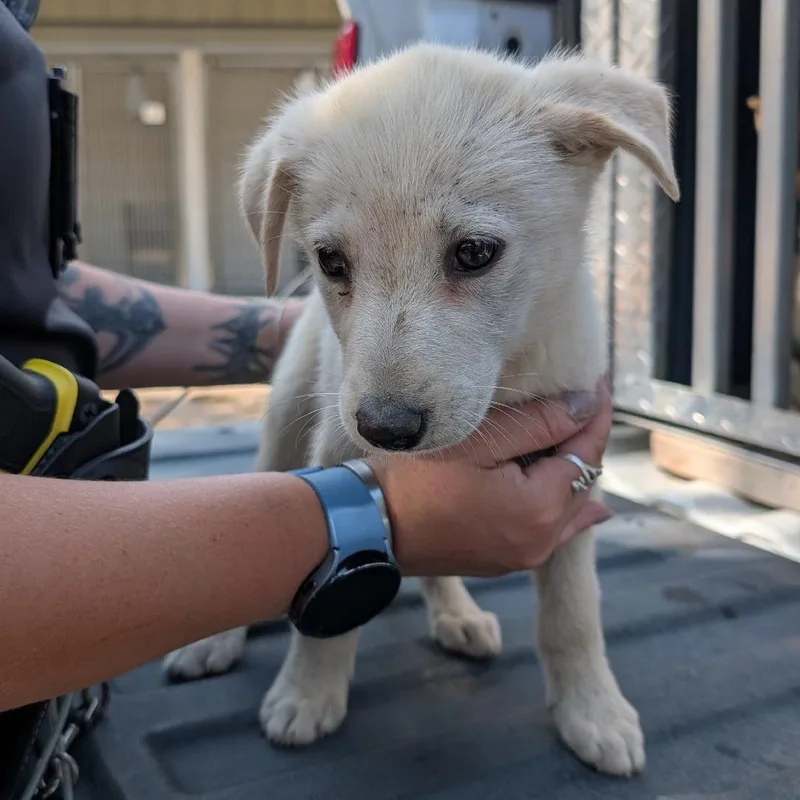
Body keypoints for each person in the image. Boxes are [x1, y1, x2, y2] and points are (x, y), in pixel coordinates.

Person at [0, 2, 613, 795]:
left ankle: (530, 643)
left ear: (585, 152)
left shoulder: (561, 156)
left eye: (472, 253)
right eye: (334, 262)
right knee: (286, 454)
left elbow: (26, 297)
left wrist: (578, 663)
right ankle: (294, 642)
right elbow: (331, 481)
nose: (387, 390)